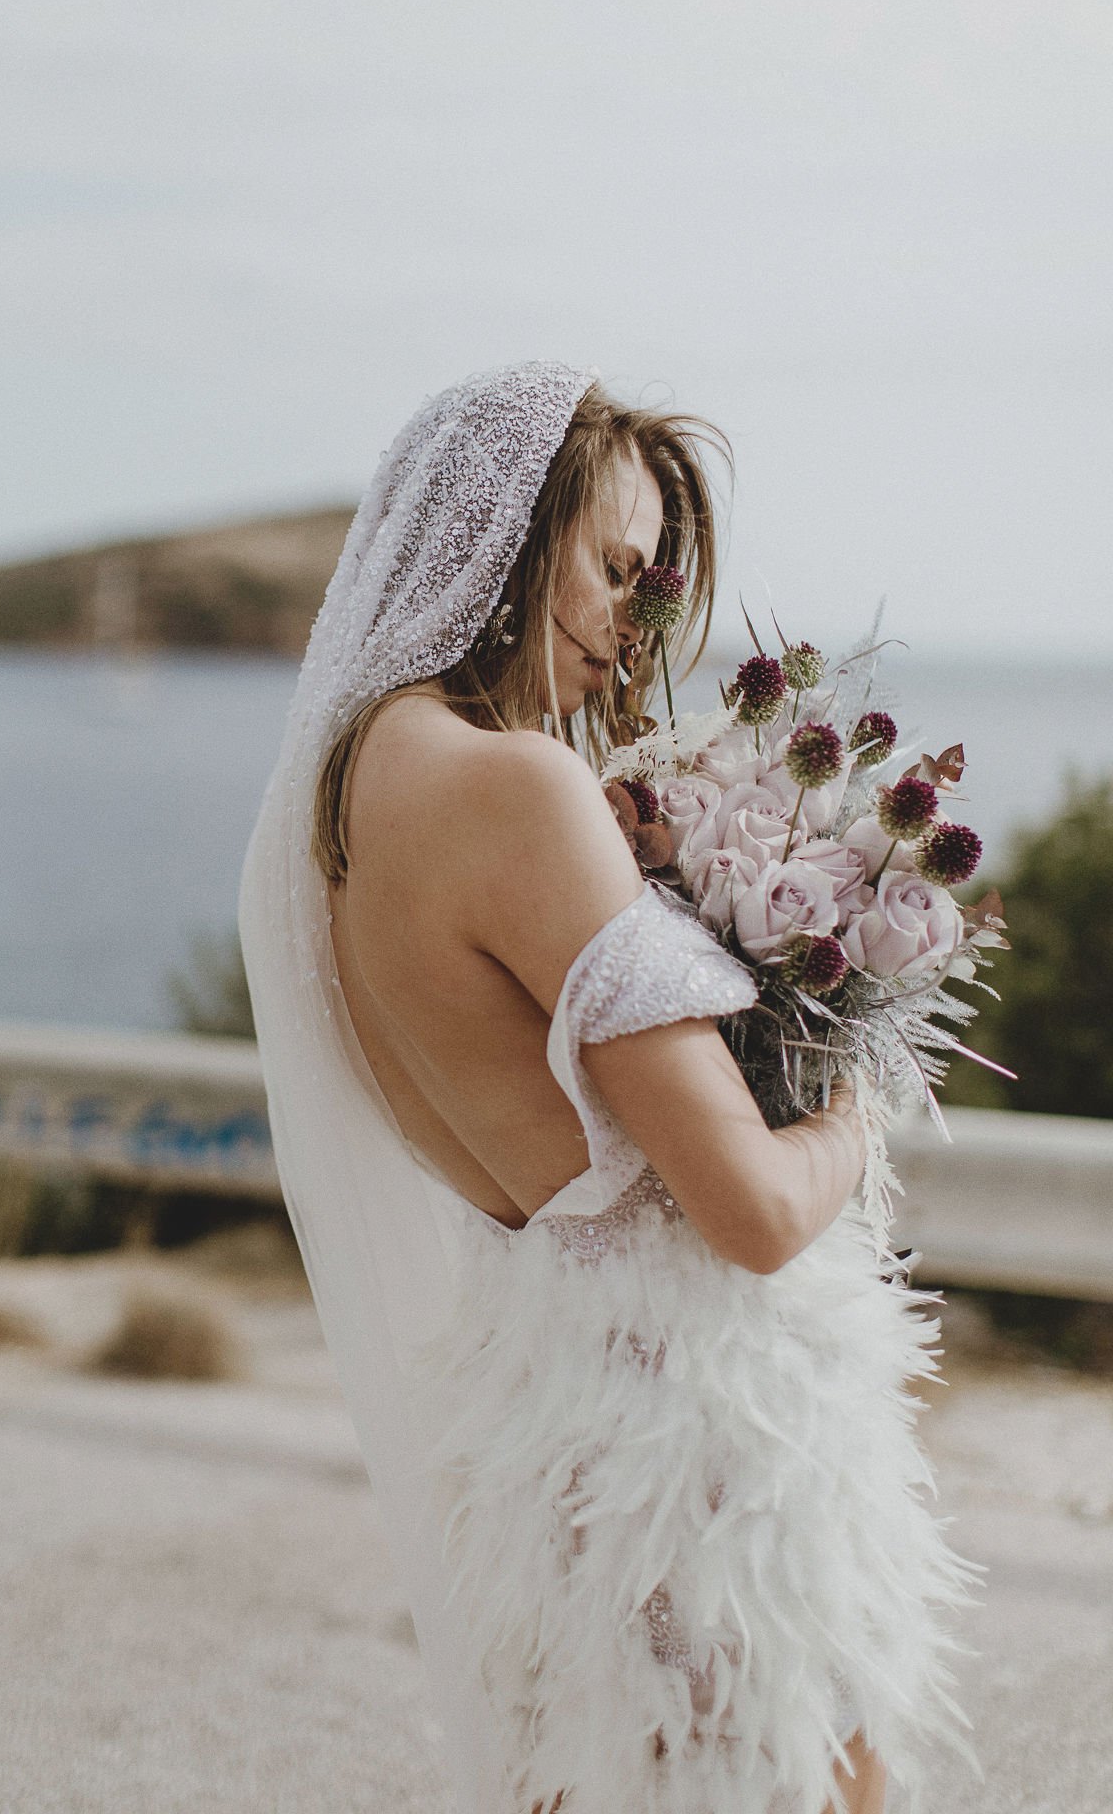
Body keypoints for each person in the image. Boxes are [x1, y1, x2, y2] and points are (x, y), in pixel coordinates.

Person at [237, 361, 981, 1814]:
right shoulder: (519, 790)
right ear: (510, 543)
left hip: (555, 1413)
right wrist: (854, 1091)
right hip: (698, 1430)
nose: (635, 620)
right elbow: (756, 1213)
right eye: (613, 567)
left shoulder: (352, 793)